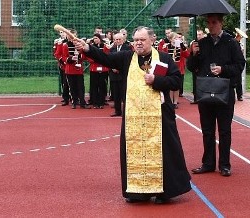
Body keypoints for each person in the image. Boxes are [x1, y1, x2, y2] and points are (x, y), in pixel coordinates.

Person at [74, 27, 191, 204]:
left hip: (159, 117)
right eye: (136, 39)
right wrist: (88, 48)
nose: (138, 42)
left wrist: (156, 81)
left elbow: (175, 81)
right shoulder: (126, 58)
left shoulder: (164, 58)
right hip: (134, 117)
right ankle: (138, 192)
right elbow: (105, 58)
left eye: (142, 40)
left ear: (152, 40)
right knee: (133, 152)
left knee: (165, 152)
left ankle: (163, 192)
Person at [186, 13, 246, 177]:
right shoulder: (202, 43)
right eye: (208, 22)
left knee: (224, 130)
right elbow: (192, 67)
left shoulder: (230, 42)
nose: (210, 25)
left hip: (224, 92)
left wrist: (223, 70)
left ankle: (225, 165)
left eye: (213, 22)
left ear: (220, 23)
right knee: (207, 130)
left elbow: (240, 65)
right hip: (205, 92)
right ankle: (208, 163)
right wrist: (193, 54)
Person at [59, 29, 88, 109]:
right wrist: (71, 59)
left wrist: (79, 56)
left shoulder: (80, 44)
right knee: (72, 87)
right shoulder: (65, 45)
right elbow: (64, 57)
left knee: (81, 87)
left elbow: (84, 56)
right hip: (70, 69)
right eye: (70, 36)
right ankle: (74, 102)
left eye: (74, 36)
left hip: (79, 70)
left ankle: (82, 102)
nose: (72, 37)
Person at [108, 33, 132, 116]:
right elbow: (109, 60)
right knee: (116, 94)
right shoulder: (112, 49)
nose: (118, 41)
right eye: (116, 39)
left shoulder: (128, 49)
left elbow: (128, 61)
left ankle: (126, 111)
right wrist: (112, 68)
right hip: (114, 75)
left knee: (124, 94)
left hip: (123, 74)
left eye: (119, 39)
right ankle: (117, 111)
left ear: (123, 40)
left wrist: (119, 68)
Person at [86, 34, 110, 109]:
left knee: (102, 86)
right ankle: (95, 102)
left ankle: (102, 102)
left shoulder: (104, 46)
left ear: (100, 38)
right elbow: (88, 56)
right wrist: (94, 60)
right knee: (94, 86)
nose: (95, 40)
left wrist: (107, 46)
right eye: (94, 38)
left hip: (103, 69)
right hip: (94, 68)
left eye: (96, 38)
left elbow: (107, 55)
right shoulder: (92, 46)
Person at [53, 31, 71, 106]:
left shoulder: (70, 42)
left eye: (64, 32)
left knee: (71, 82)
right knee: (64, 82)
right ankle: (65, 97)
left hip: (70, 63)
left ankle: (72, 96)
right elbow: (55, 53)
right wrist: (62, 60)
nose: (63, 34)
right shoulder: (58, 42)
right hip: (63, 65)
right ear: (59, 34)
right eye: (61, 32)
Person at [190, 29, 206, 104]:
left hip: (203, 66)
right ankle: (196, 97)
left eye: (200, 34)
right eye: (197, 34)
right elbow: (190, 55)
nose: (198, 36)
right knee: (195, 82)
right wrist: (194, 53)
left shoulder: (206, 43)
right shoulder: (194, 43)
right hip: (195, 66)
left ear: (203, 35)